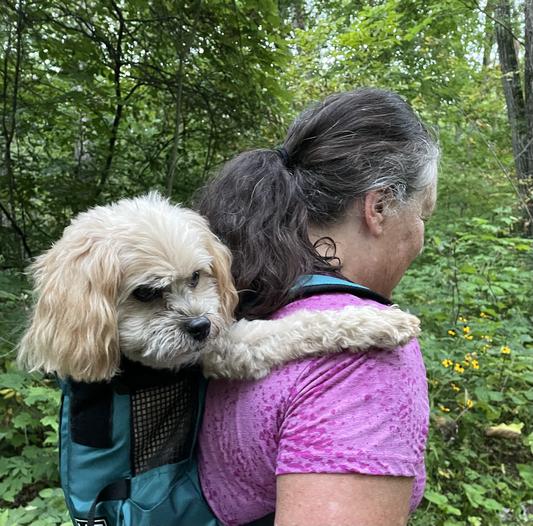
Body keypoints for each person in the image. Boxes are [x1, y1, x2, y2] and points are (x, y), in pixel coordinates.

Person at [196, 88, 439, 526]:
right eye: (424, 214)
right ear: (379, 206)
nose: (424, 237)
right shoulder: (364, 350)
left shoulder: (245, 299)